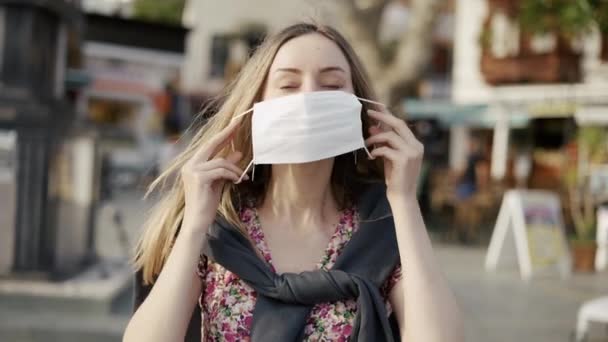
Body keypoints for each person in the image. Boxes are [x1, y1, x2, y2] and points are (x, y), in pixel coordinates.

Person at [123, 23, 463, 342]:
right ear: (255, 105)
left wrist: (403, 200)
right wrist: (195, 223)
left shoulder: (381, 227)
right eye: (288, 85)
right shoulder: (218, 224)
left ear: (359, 107)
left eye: (331, 85)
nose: (309, 98)